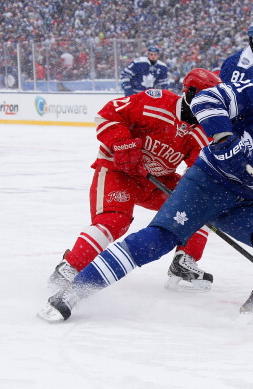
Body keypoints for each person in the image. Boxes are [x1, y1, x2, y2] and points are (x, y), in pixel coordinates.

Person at [38, 66, 253, 328]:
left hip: (246, 202)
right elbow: (206, 100)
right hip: (207, 184)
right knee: (158, 239)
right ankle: (75, 290)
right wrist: (223, 138)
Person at [47, 68, 221, 295]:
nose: (209, 107)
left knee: (199, 203)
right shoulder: (155, 102)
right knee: (114, 220)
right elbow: (107, 114)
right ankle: (69, 267)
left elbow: (198, 170)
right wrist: (122, 143)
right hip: (118, 171)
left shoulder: (203, 131)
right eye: (205, 99)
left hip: (155, 181)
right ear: (189, 92)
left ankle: (184, 261)